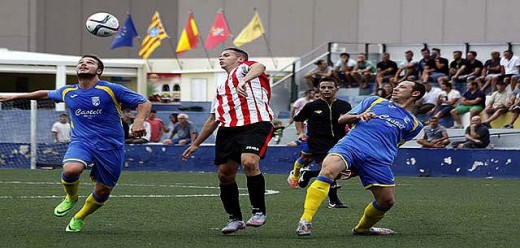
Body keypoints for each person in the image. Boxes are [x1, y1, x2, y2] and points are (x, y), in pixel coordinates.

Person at [0, 54, 151, 232]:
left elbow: (144, 102)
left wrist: (139, 121)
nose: (84, 64)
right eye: (81, 62)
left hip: (111, 146)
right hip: (82, 141)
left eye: (90, 62)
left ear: (99, 71)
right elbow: (43, 94)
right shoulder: (68, 91)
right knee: (71, 169)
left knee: (103, 192)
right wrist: (14, 97)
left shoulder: (111, 89)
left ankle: (80, 217)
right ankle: (71, 197)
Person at [295, 80, 426, 237]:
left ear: (415, 93)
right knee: (328, 170)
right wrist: (359, 116)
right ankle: (305, 221)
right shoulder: (374, 101)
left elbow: (395, 144)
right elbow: (342, 119)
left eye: (402, 87)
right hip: (351, 145)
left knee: (386, 201)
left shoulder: (414, 125)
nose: (396, 88)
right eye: (397, 86)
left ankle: (362, 229)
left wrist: (360, 168)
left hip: (378, 159)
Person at [181, 48, 274, 235]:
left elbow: (260, 66)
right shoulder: (220, 88)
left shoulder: (245, 69)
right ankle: (235, 218)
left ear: (240, 59)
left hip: (255, 124)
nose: (221, 58)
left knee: (249, 162)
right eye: (221, 55)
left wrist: (245, 81)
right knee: (224, 175)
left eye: (226, 55)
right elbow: (213, 119)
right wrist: (196, 143)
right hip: (228, 130)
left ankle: (258, 212)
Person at [288, 77, 352, 209]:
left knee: (338, 172)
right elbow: (298, 119)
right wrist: (301, 133)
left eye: (330, 87)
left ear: (336, 89)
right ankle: (334, 201)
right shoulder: (312, 106)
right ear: (319, 89)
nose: (326, 90)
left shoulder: (345, 106)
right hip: (318, 142)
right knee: (330, 169)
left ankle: (309, 173)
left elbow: (350, 122)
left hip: (339, 142)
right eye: (323, 87)